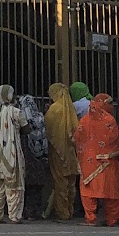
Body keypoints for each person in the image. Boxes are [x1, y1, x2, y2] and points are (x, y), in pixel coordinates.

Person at [76, 91, 119, 226]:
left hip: (88, 161)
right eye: (109, 103)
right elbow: (114, 140)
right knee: (111, 191)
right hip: (108, 161)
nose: (111, 106)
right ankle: (112, 219)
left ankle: (90, 218)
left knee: (88, 191)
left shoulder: (84, 120)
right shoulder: (110, 120)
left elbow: (78, 138)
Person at [0, 84, 27, 224]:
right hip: (11, 153)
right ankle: (14, 216)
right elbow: (27, 128)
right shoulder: (15, 112)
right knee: (14, 186)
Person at [44, 83, 81, 221]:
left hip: (58, 151)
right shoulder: (70, 109)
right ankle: (70, 210)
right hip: (71, 151)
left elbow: (48, 130)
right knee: (71, 182)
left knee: (60, 182)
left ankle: (62, 212)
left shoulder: (54, 110)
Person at [19, 93, 50, 220]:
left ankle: (26, 211)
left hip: (26, 155)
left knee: (26, 185)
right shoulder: (40, 117)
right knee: (37, 186)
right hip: (40, 155)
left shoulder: (21, 118)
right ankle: (36, 211)